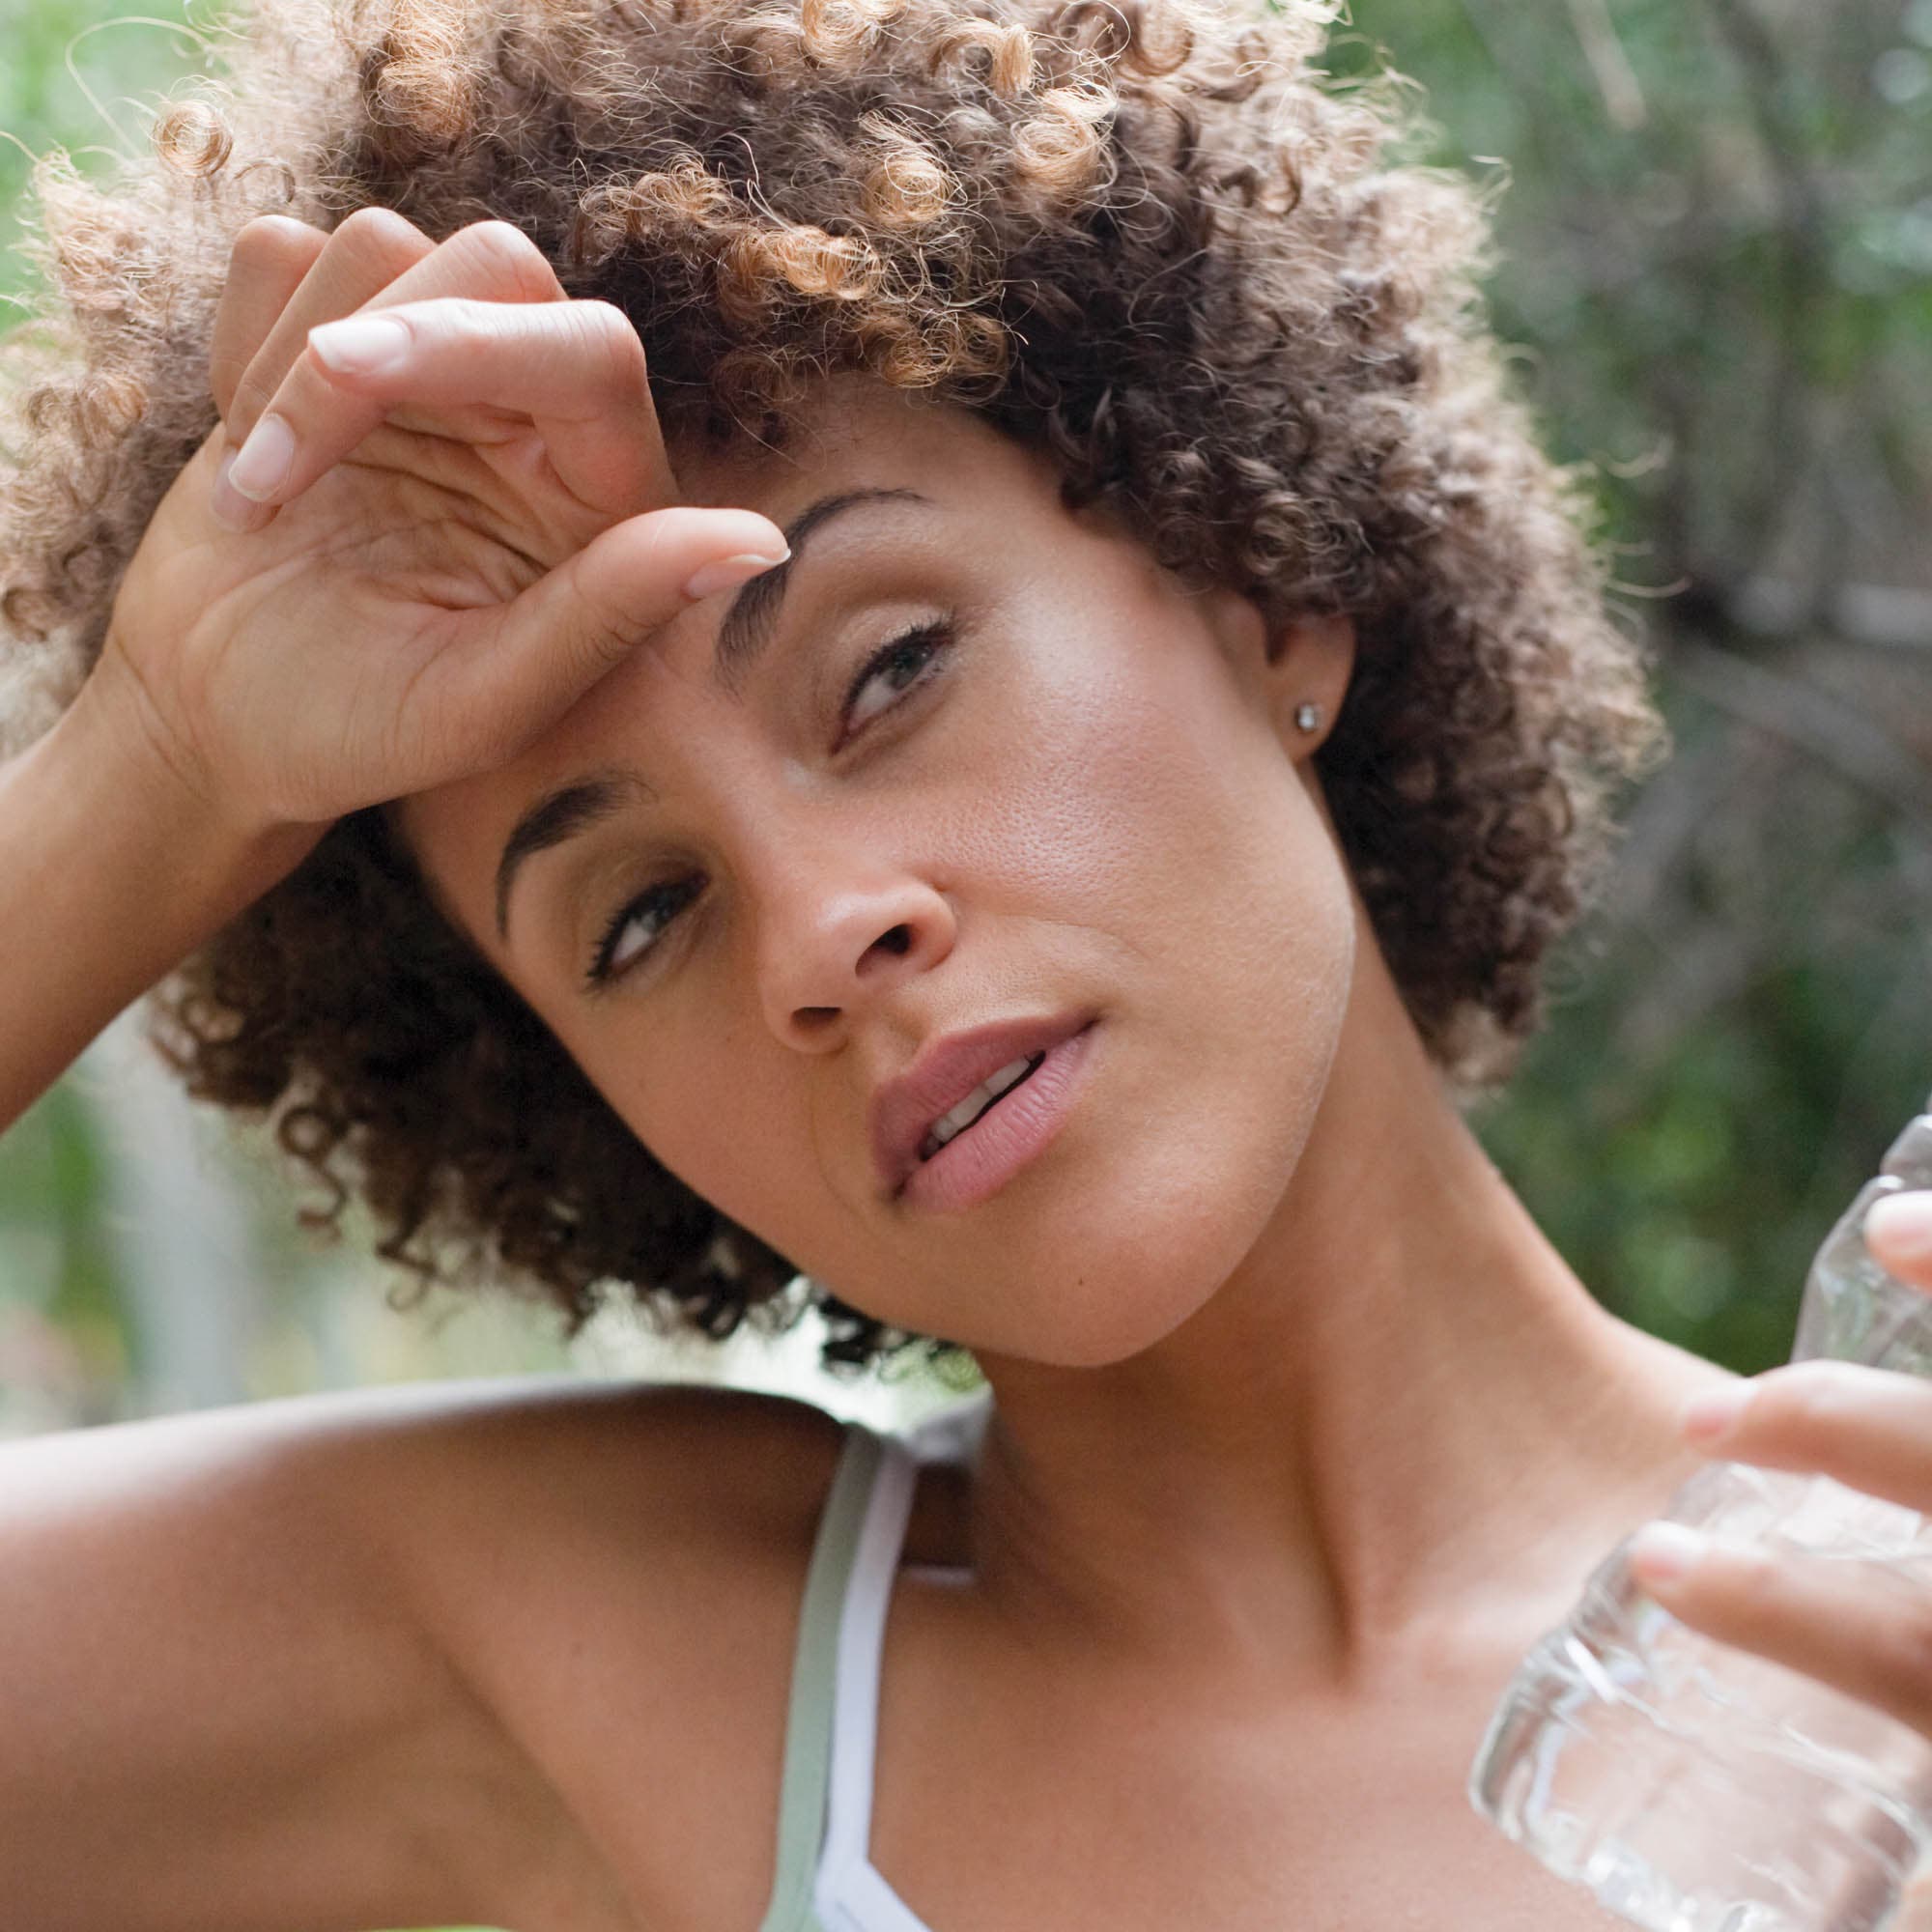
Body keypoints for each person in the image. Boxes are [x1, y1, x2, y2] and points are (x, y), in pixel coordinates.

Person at [2, 0, 1929, 1923]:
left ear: (1263, 584)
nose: (822, 934)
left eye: (892, 670)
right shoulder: (620, 1659)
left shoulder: (1881, 1634)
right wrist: (154, 768)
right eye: (644, 915)